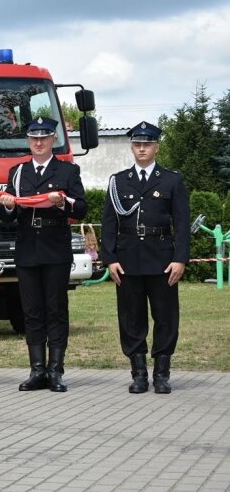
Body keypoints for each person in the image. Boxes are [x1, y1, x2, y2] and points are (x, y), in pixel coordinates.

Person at [0, 117, 87, 392]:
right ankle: (37, 370)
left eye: (44, 137)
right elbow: (6, 216)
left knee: (56, 310)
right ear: (28, 140)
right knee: (32, 311)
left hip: (55, 246)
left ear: (52, 140)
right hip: (27, 248)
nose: (38, 142)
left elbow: (81, 208)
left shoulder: (67, 171)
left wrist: (62, 204)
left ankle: (55, 370)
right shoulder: (18, 172)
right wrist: (9, 206)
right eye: (33, 137)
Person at [101, 121, 189, 394]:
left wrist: (180, 258)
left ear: (156, 147)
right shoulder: (118, 181)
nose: (142, 149)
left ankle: (161, 373)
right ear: (131, 147)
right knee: (131, 317)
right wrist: (110, 258)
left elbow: (182, 223)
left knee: (165, 317)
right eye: (138, 144)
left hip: (162, 259)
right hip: (127, 261)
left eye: (147, 144)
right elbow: (108, 224)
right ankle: (138, 373)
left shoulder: (172, 180)